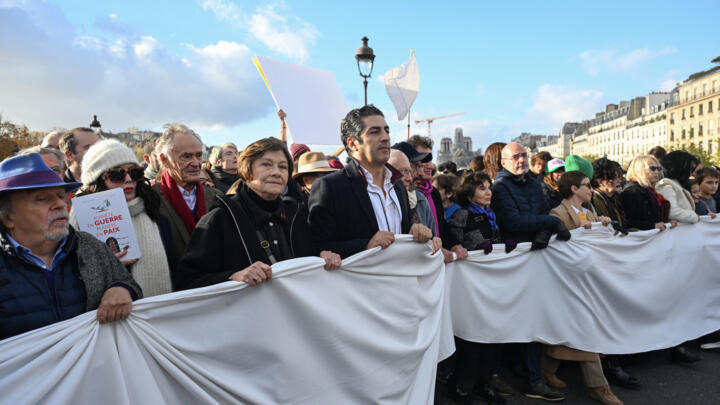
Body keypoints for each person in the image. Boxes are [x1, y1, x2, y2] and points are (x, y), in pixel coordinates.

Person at [0, 153, 142, 340]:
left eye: (60, 196)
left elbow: (129, 284)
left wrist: (122, 289)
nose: (59, 204)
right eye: (42, 199)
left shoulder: (88, 245)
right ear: (8, 217)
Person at [177, 138, 342, 289]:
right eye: (266, 165)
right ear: (247, 170)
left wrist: (322, 256)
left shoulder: (297, 215)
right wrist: (232, 277)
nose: (276, 172)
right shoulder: (220, 219)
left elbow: (309, 258)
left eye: (283, 167)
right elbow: (188, 280)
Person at [490, 142, 570, 402]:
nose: (522, 160)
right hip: (515, 261)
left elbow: (541, 213)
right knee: (523, 320)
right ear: (504, 162)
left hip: (536, 259)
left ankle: (531, 376)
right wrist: (552, 223)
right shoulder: (500, 187)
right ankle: (530, 379)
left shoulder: (534, 183)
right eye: (516, 156)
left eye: (524, 155)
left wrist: (545, 230)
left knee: (535, 319)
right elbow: (512, 222)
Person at [308, 106, 436, 259]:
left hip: (401, 279)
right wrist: (366, 245)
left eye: (386, 131)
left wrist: (420, 233)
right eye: (374, 132)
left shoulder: (398, 185)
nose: (385, 137)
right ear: (353, 144)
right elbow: (318, 247)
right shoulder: (330, 187)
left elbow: (403, 233)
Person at [546, 170, 622, 405]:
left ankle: (546, 367)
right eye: (587, 186)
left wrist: (604, 226)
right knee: (586, 329)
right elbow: (558, 247)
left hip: (590, 279)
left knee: (571, 330)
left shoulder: (590, 212)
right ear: (573, 189)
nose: (591, 189)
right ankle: (600, 387)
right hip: (570, 281)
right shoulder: (557, 213)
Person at [71, 140, 174, 297]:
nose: (128, 180)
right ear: (97, 180)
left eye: (135, 173)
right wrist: (103, 266)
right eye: (116, 175)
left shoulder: (157, 218)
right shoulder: (75, 225)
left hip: (155, 313)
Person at [153, 123, 221, 270]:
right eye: (186, 156)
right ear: (164, 160)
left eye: (198, 155)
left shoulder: (217, 197)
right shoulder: (150, 200)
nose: (196, 163)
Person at [408, 135, 468, 263]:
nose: (430, 165)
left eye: (430, 158)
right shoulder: (405, 192)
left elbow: (441, 225)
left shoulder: (433, 192)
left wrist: (454, 245)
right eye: (424, 159)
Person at [388, 148, 437, 237]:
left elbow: (434, 238)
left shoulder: (421, 198)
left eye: (410, 170)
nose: (421, 173)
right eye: (416, 166)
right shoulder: (379, 199)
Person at [619, 155, 674, 232]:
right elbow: (627, 222)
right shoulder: (631, 192)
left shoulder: (649, 190)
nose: (657, 172)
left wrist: (667, 223)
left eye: (658, 169)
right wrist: (653, 225)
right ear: (639, 170)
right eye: (653, 168)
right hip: (639, 240)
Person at [448, 171, 500, 250]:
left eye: (489, 188)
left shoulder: (492, 213)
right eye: (482, 189)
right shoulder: (461, 215)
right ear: (469, 194)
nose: (488, 192)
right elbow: (454, 245)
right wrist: (475, 247)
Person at [656, 151, 701, 224]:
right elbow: (672, 212)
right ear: (680, 167)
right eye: (690, 169)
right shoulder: (666, 185)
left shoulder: (677, 184)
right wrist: (694, 217)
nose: (691, 173)